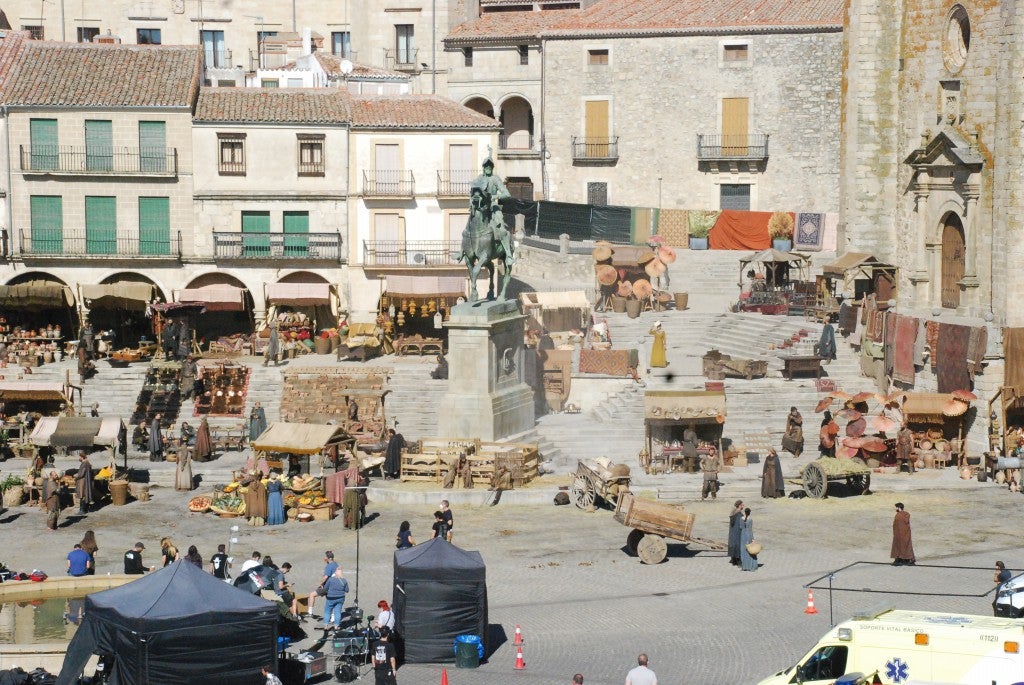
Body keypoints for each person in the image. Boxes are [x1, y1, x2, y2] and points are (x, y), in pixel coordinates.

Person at [307, 551, 339, 619]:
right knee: (332, 601)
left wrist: (320, 584)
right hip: (334, 587)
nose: (324, 558)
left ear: (329, 558)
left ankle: (310, 612)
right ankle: (333, 618)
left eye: (325, 557)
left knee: (312, 594)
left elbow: (325, 577)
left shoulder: (329, 566)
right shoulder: (336, 564)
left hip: (327, 587)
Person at [323, 566, 349, 631]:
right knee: (337, 612)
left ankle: (325, 626)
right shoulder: (344, 580)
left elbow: (325, 588)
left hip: (330, 598)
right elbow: (347, 590)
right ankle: (336, 627)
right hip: (340, 598)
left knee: (327, 611)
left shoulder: (330, 579)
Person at [740, 507, 758, 571]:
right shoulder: (750, 519)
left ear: (745, 512)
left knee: (743, 550)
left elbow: (741, 527)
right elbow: (750, 529)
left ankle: (744, 566)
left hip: (743, 535)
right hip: (749, 534)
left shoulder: (741, 518)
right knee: (750, 550)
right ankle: (750, 566)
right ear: (749, 513)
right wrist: (753, 538)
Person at [728, 500, 744, 566]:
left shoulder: (733, 512)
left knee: (733, 544)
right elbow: (740, 524)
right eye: (742, 505)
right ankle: (738, 560)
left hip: (732, 532)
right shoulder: (739, 514)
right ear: (739, 505)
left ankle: (733, 559)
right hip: (737, 532)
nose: (743, 506)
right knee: (738, 545)